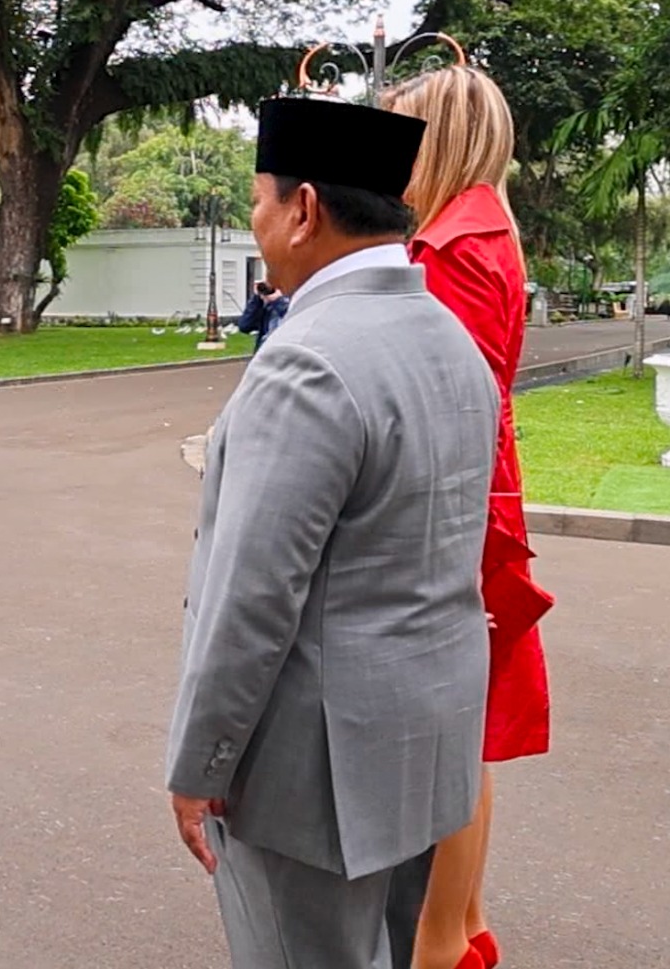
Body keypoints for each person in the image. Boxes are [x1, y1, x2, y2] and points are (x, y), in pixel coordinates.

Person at [164, 97, 500, 969]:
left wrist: (201, 762)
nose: (257, 222)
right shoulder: (450, 342)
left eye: (259, 200)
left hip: (312, 771)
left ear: (305, 208)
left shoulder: (309, 362)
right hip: (424, 741)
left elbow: (251, 598)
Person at [382, 65, 555, 969]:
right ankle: (461, 923)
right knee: (467, 726)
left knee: (455, 732)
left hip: (457, 503)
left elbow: (442, 399)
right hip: (480, 492)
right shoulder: (482, 227)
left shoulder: (453, 246)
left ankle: (443, 937)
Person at [237, 280, 290, 352]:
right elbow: (244, 326)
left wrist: (278, 301)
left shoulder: (291, 301)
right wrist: (256, 299)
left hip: (284, 353)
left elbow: (290, 318)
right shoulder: (267, 306)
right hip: (264, 352)